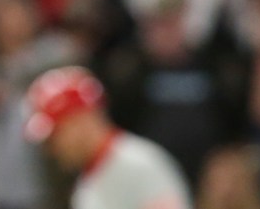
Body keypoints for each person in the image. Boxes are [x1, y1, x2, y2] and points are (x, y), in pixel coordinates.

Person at [24, 65, 192, 209]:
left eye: (56, 135)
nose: (52, 149)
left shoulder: (139, 165)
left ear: (80, 121)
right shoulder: (88, 181)